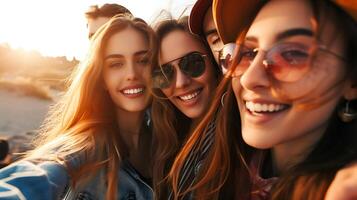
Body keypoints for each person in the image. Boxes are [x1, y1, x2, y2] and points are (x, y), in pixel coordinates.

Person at [169, 0, 357, 199]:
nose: (250, 78)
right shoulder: (228, 161)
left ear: (352, 81)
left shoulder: (341, 190)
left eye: (293, 54)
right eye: (247, 53)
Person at [0, 14, 157, 199]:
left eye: (143, 60)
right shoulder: (82, 147)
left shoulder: (167, 142)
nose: (132, 74)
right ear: (102, 79)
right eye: (116, 64)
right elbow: (41, 172)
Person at [150, 16, 221, 199]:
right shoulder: (167, 139)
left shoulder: (236, 136)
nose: (181, 83)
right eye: (165, 73)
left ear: (213, 62)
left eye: (192, 63)